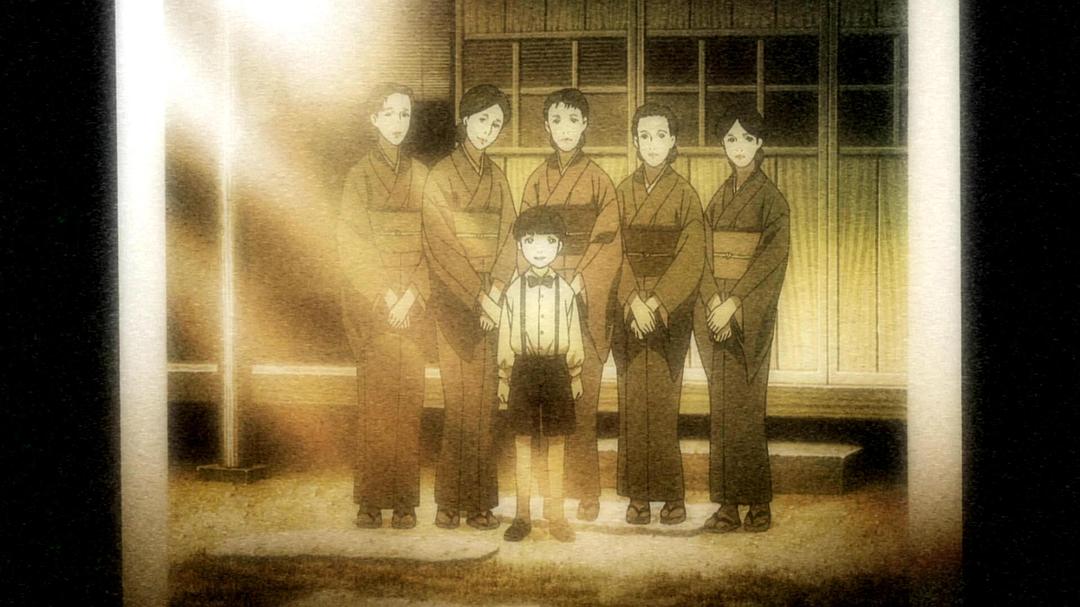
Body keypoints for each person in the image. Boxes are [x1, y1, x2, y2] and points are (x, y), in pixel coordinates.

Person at [517, 88, 622, 522]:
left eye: (573, 120)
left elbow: (610, 242)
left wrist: (579, 279)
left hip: (582, 301)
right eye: (557, 121)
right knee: (544, 402)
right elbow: (522, 240)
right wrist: (546, 278)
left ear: (585, 126)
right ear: (546, 127)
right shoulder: (535, 180)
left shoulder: (599, 180)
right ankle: (548, 494)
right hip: (544, 299)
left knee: (582, 401)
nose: (565, 129)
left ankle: (586, 492)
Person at [421, 84, 518, 531]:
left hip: (490, 305)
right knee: (458, 405)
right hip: (455, 303)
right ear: (464, 120)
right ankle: (449, 502)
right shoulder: (440, 176)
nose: (487, 130)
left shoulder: (498, 178)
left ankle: (480, 503)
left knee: (483, 407)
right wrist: (477, 294)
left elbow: (510, 238)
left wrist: (495, 289)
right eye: (482, 120)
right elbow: (440, 243)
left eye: (496, 124)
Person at [336, 83, 432, 529]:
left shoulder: (422, 176)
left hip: (412, 307)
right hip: (374, 307)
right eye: (389, 113)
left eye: (404, 114)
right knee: (375, 407)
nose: (397, 122)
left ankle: (405, 501)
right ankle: (371, 501)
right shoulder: (359, 176)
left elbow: (434, 242)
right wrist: (384, 293)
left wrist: (412, 294)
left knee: (408, 404)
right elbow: (352, 243)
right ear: (373, 119)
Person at [695, 106, 790, 533]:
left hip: (748, 311)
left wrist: (734, 303)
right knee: (721, 411)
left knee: (748, 410)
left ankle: (758, 503)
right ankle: (727, 505)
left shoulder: (772, 199)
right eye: (730, 139)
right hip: (717, 308)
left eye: (746, 139)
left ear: (759, 143)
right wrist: (714, 299)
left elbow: (771, 261)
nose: (738, 147)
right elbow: (703, 254)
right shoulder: (719, 197)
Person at [613, 103, 705, 525]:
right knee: (633, 401)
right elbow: (612, 250)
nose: (652, 144)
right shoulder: (621, 192)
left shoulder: (685, 195)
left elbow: (691, 256)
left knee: (665, 403)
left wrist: (658, 301)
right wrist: (633, 299)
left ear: (673, 142)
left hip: (668, 311)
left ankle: (671, 495)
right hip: (630, 308)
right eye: (644, 136)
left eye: (660, 136)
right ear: (635, 142)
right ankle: (637, 497)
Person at [497, 207, 585, 542]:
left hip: (557, 370)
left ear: (559, 246)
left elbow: (573, 333)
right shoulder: (512, 291)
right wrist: (503, 377)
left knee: (556, 444)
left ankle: (556, 515)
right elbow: (505, 334)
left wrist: (575, 373)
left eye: (548, 241)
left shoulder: (566, 291)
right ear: (520, 245)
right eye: (530, 240)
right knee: (522, 444)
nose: (538, 249)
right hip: (522, 370)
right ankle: (522, 516)